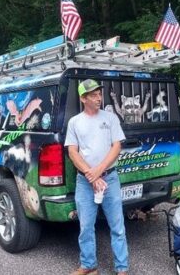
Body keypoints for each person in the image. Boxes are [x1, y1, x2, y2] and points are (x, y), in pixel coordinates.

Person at [65, 79, 129, 275]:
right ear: (83, 98)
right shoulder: (75, 122)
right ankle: (89, 266)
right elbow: (72, 152)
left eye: (99, 94)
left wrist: (99, 170)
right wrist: (90, 175)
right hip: (85, 182)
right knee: (86, 227)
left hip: (109, 179)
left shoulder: (110, 118)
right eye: (93, 95)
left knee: (117, 226)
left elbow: (117, 146)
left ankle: (122, 269)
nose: (99, 98)